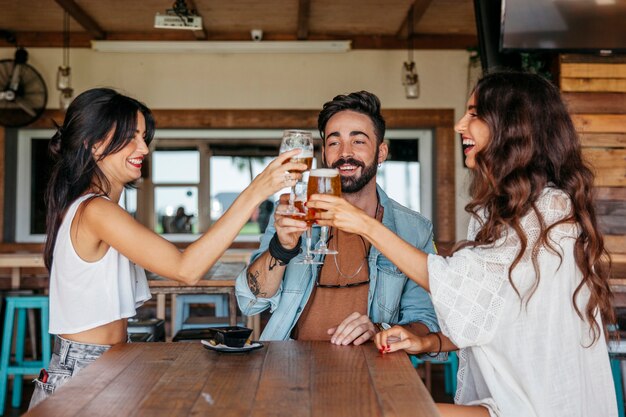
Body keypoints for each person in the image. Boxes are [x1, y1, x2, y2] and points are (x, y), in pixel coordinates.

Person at [308, 72, 617, 417]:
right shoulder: (494, 212)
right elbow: (497, 314)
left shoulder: (550, 211)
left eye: (473, 113)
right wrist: (427, 342)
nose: (459, 125)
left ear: (512, 126)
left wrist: (365, 226)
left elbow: (460, 287)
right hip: (503, 400)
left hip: (540, 404)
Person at [29, 88, 306, 408]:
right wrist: (257, 190)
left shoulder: (90, 207)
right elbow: (185, 269)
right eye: (131, 137)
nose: (144, 148)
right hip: (85, 371)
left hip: (101, 364)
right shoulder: (96, 211)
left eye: (144, 137)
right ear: (95, 144)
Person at [236, 91, 443, 349]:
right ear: (324, 153)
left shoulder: (414, 229)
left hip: (373, 370)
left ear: (381, 153)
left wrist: (379, 329)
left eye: (358, 141)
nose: (345, 153)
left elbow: (425, 320)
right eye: (334, 143)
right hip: (289, 369)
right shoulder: (294, 212)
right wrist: (282, 248)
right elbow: (251, 301)